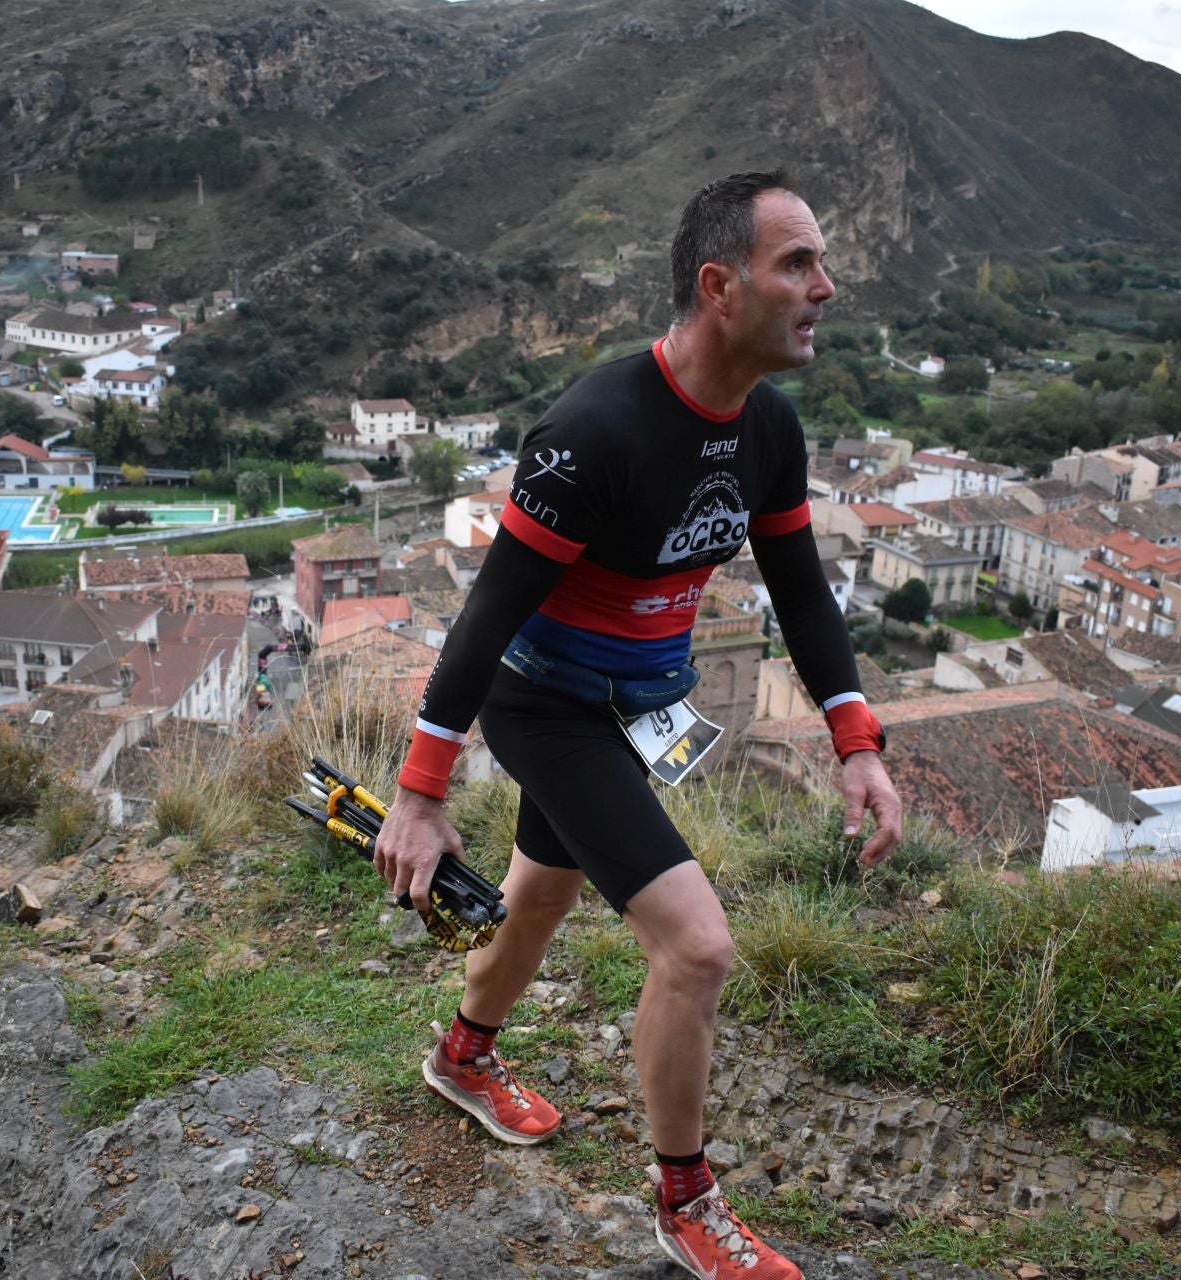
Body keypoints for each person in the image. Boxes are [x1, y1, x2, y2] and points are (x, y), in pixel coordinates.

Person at [372, 172, 903, 1280]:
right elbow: (488, 614)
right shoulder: (592, 431)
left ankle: (463, 1056)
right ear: (721, 285)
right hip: (545, 702)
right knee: (697, 944)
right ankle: (684, 1198)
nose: (827, 286)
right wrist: (420, 793)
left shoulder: (768, 427)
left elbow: (801, 592)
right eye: (798, 263)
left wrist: (856, 741)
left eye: (822, 261)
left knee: (545, 886)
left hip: (632, 709)